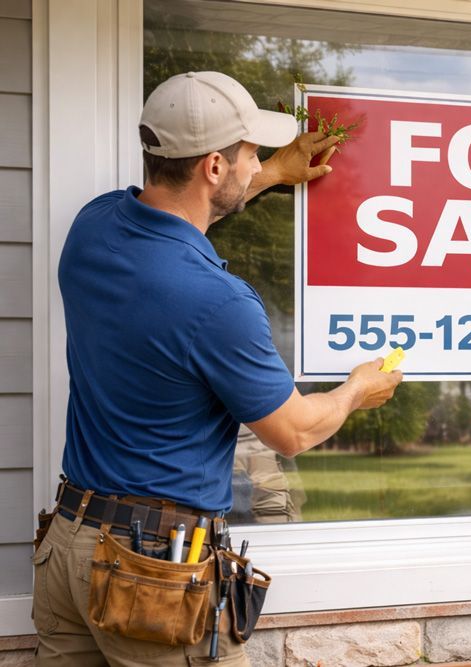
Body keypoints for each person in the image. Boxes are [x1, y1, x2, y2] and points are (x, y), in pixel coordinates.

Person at [32, 71, 402, 666]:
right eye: (251, 154)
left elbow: (173, 227)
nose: (256, 164)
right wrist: (358, 388)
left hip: (68, 545)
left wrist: (273, 173)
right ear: (212, 166)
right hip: (151, 572)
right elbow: (294, 430)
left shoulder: (93, 227)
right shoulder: (219, 304)